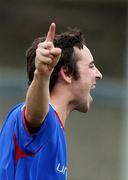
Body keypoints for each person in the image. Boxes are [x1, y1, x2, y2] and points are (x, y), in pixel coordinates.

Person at [0, 22, 102, 180]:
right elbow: (35, 116)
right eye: (91, 66)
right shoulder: (44, 121)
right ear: (67, 73)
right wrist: (41, 74)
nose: (98, 74)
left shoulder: (56, 130)